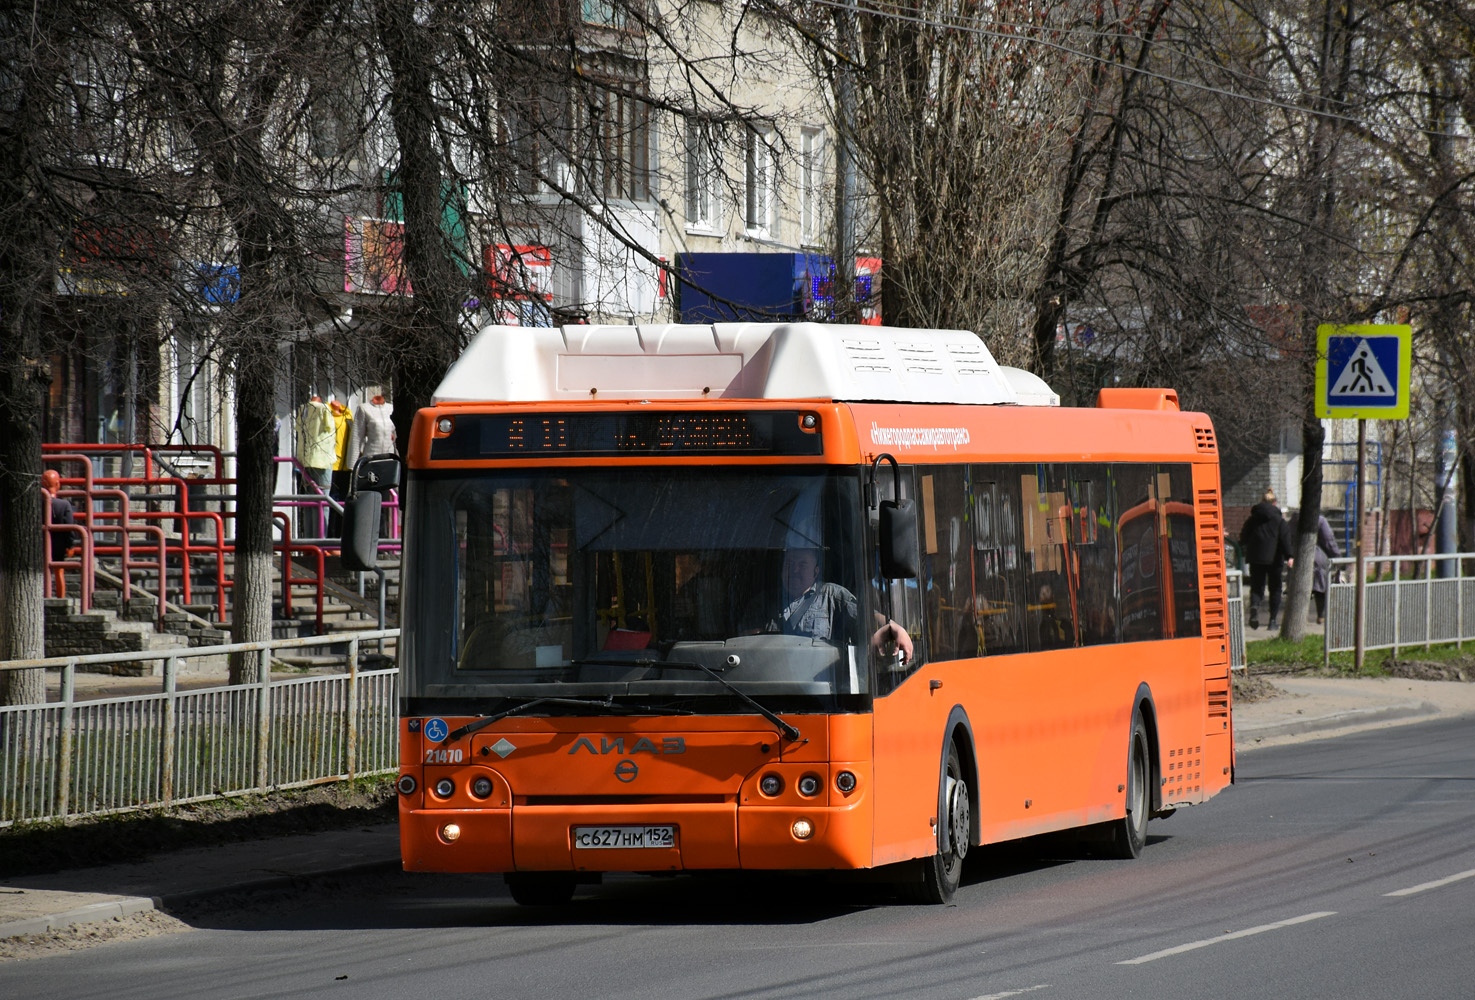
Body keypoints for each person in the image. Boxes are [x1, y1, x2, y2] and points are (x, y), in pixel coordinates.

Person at [748, 547, 913, 664]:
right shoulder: (763, 601)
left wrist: (894, 628)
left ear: (815, 571)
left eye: (802, 565)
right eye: (789, 564)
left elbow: (868, 617)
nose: (794, 571)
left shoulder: (833, 596)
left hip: (823, 691)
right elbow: (745, 644)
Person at [1239, 489, 1292, 630]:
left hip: (1256, 558)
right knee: (1275, 589)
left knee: (1257, 586)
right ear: (1275, 503)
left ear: (1262, 501)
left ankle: (1255, 607)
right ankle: (1273, 621)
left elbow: (1243, 536)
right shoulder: (1279, 520)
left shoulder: (1252, 519)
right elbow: (1285, 539)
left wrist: (1244, 547)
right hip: (1275, 560)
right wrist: (1289, 556)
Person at [41, 469, 75, 598]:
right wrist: (70, 545)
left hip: (40, 542)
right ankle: (61, 599)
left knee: (41, 571)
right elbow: (69, 526)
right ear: (57, 483)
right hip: (59, 543)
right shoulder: (64, 504)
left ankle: (44, 596)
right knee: (59, 571)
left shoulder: (36, 504)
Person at [1311, 514, 1341, 625]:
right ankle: (1321, 615)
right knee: (1320, 588)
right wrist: (1337, 556)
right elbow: (1329, 540)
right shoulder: (1320, 520)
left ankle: (1299, 618)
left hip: (1298, 558)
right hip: (1317, 557)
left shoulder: (1295, 519)